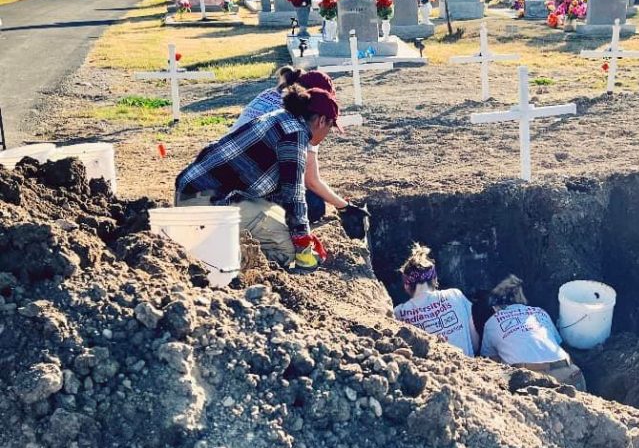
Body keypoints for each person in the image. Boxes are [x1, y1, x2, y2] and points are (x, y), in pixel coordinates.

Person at [175, 85, 342, 270]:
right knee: (287, 250)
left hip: (194, 194)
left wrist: (301, 233)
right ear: (321, 121)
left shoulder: (281, 118)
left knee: (283, 222)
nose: (328, 134)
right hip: (205, 206)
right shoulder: (295, 134)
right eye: (330, 127)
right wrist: (302, 246)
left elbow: (276, 194)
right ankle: (213, 258)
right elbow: (294, 195)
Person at [232, 67, 362, 226]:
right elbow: (311, 180)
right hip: (248, 187)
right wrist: (345, 207)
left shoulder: (268, 94)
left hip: (227, 169)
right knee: (313, 205)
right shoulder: (303, 117)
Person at [480, 275, 586, 390]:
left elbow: (490, 363)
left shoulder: (491, 323)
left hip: (532, 379)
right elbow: (557, 342)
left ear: (495, 306)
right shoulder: (540, 312)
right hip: (569, 372)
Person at [393, 244, 479, 357]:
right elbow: (475, 342)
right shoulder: (455, 294)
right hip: (465, 368)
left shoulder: (398, 312)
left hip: (430, 371)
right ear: (434, 279)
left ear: (406, 286)